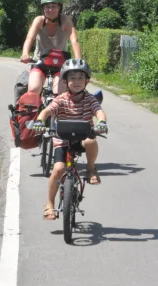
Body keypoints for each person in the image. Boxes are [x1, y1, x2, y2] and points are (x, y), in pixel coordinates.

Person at [32, 59, 108, 221]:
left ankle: (90, 169)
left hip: (82, 138)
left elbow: (99, 112)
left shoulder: (90, 99)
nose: (77, 82)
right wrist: (39, 121)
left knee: (90, 141)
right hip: (63, 140)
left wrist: (102, 123)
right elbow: (47, 111)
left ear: (87, 81)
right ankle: (50, 204)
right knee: (58, 169)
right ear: (65, 82)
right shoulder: (61, 99)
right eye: (72, 78)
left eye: (81, 78)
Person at [19, 0, 81, 95]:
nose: (50, 9)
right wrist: (25, 54)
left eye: (54, 6)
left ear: (59, 8)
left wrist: (78, 59)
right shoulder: (39, 21)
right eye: (47, 6)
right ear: (43, 9)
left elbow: (74, 40)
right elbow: (30, 38)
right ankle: (35, 110)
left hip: (60, 63)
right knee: (33, 89)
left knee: (59, 93)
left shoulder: (65, 20)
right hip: (40, 62)